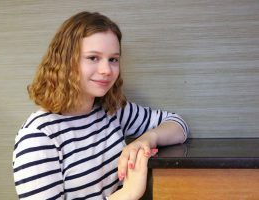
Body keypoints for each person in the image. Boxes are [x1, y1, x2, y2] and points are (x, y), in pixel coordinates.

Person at [12, 11, 189, 200]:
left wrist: (145, 140)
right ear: (65, 61)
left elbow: (178, 125)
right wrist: (128, 194)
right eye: (93, 58)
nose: (106, 70)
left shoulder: (111, 111)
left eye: (113, 59)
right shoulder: (39, 138)